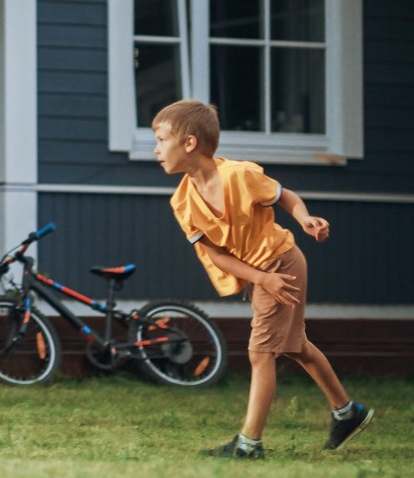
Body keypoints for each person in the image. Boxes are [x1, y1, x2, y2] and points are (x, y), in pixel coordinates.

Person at [150, 99, 374, 458]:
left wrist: (304, 219)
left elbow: (285, 197)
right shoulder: (183, 202)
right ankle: (348, 412)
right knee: (294, 345)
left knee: (260, 352)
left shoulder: (240, 175)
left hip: (282, 263)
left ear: (189, 143)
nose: (156, 149)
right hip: (261, 275)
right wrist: (260, 279)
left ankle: (249, 444)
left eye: (161, 140)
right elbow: (217, 255)